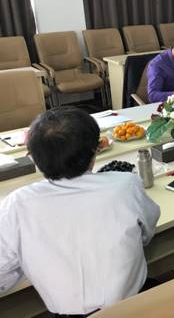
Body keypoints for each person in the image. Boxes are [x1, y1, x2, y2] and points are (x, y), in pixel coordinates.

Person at [0, 107, 160, 316]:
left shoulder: (16, 205)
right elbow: (147, 232)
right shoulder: (126, 185)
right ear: (96, 150)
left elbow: (3, 274)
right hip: (135, 306)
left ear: (32, 158)